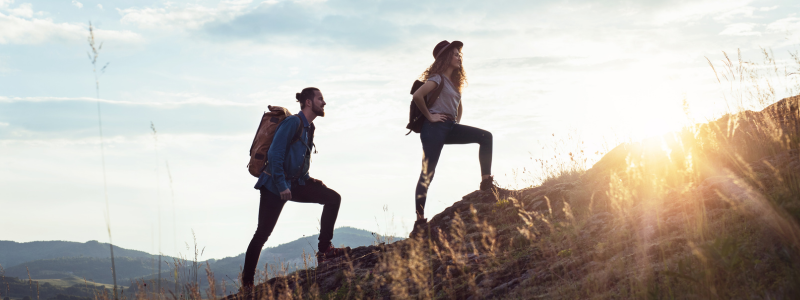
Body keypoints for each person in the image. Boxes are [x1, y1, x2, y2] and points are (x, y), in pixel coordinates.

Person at [241, 87, 348, 291]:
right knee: (262, 234)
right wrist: (281, 185)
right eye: (320, 99)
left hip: (296, 183)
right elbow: (275, 154)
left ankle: (324, 250)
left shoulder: (310, 128)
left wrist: (309, 181)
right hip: (274, 185)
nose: (324, 103)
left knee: (333, 198)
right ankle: (247, 284)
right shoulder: (293, 122)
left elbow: (301, 160)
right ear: (308, 102)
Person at [410, 40, 497, 236]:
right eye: (455, 54)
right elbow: (417, 95)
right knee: (427, 174)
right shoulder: (437, 78)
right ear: (445, 57)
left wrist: (457, 122)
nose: (459, 57)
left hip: (449, 126)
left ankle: (486, 184)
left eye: (459, 54)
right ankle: (420, 221)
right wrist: (430, 116)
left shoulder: (454, 83)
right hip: (433, 128)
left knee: (485, 137)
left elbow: (459, 105)